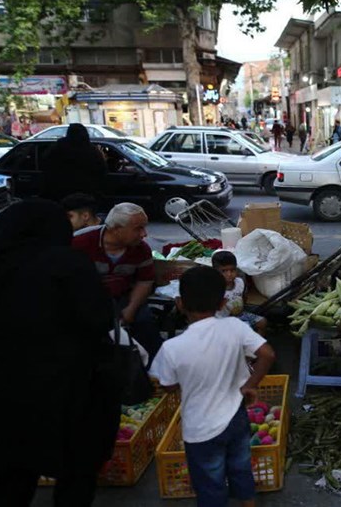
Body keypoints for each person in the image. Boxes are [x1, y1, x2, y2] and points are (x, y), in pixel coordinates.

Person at [0, 200, 119, 506]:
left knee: (10, 483)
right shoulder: (68, 265)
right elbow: (98, 320)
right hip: (65, 396)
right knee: (74, 476)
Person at [149, 266, 276, 507]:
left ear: (179, 303)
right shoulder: (235, 327)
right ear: (223, 302)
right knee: (240, 468)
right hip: (236, 417)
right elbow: (267, 354)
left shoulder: (172, 348)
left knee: (210, 482)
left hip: (200, 429)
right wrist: (251, 385)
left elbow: (167, 385)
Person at [72, 202, 163, 363]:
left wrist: (130, 310)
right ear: (115, 229)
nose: (144, 234)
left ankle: (154, 372)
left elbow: (145, 281)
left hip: (124, 298)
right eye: (138, 229)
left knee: (145, 324)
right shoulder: (80, 243)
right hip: (87, 301)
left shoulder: (141, 249)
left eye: (144, 227)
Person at [41, 123, 107, 202]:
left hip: (61, 190)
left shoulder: (58, 147)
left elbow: (46, 163)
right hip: (86, 190)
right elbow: (102, 169)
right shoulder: (91, 150)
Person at [212, 251, 267, 335]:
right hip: (223, 320)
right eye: (224, 271)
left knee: (262, 322)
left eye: (232, 270)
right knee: (245, 330)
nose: (229, 274)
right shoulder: (215, 289)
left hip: (240, 314)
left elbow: (243, 297)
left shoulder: (240, 282)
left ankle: (256, 344)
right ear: (215, 272)